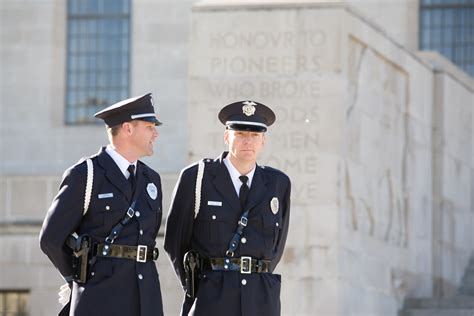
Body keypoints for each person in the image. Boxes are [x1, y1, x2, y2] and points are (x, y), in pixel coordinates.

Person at [39, 93, 164, 316]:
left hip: (146, 298)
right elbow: (51, 238)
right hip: (100, 299)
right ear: (128, 129)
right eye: (149, 126)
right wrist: (77, 278)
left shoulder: (151, 179)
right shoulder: (86, 174)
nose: (156, 133)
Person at [164, 100, 291, 316]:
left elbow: (277, 247)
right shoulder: (197, 178)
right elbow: (175, 243)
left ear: (263, 141)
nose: (247, 141)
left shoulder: (278, 183)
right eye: (240, 133)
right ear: (226, 137)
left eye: (255, 135)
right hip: (211, 298)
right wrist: (198, 286)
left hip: (260, 299)